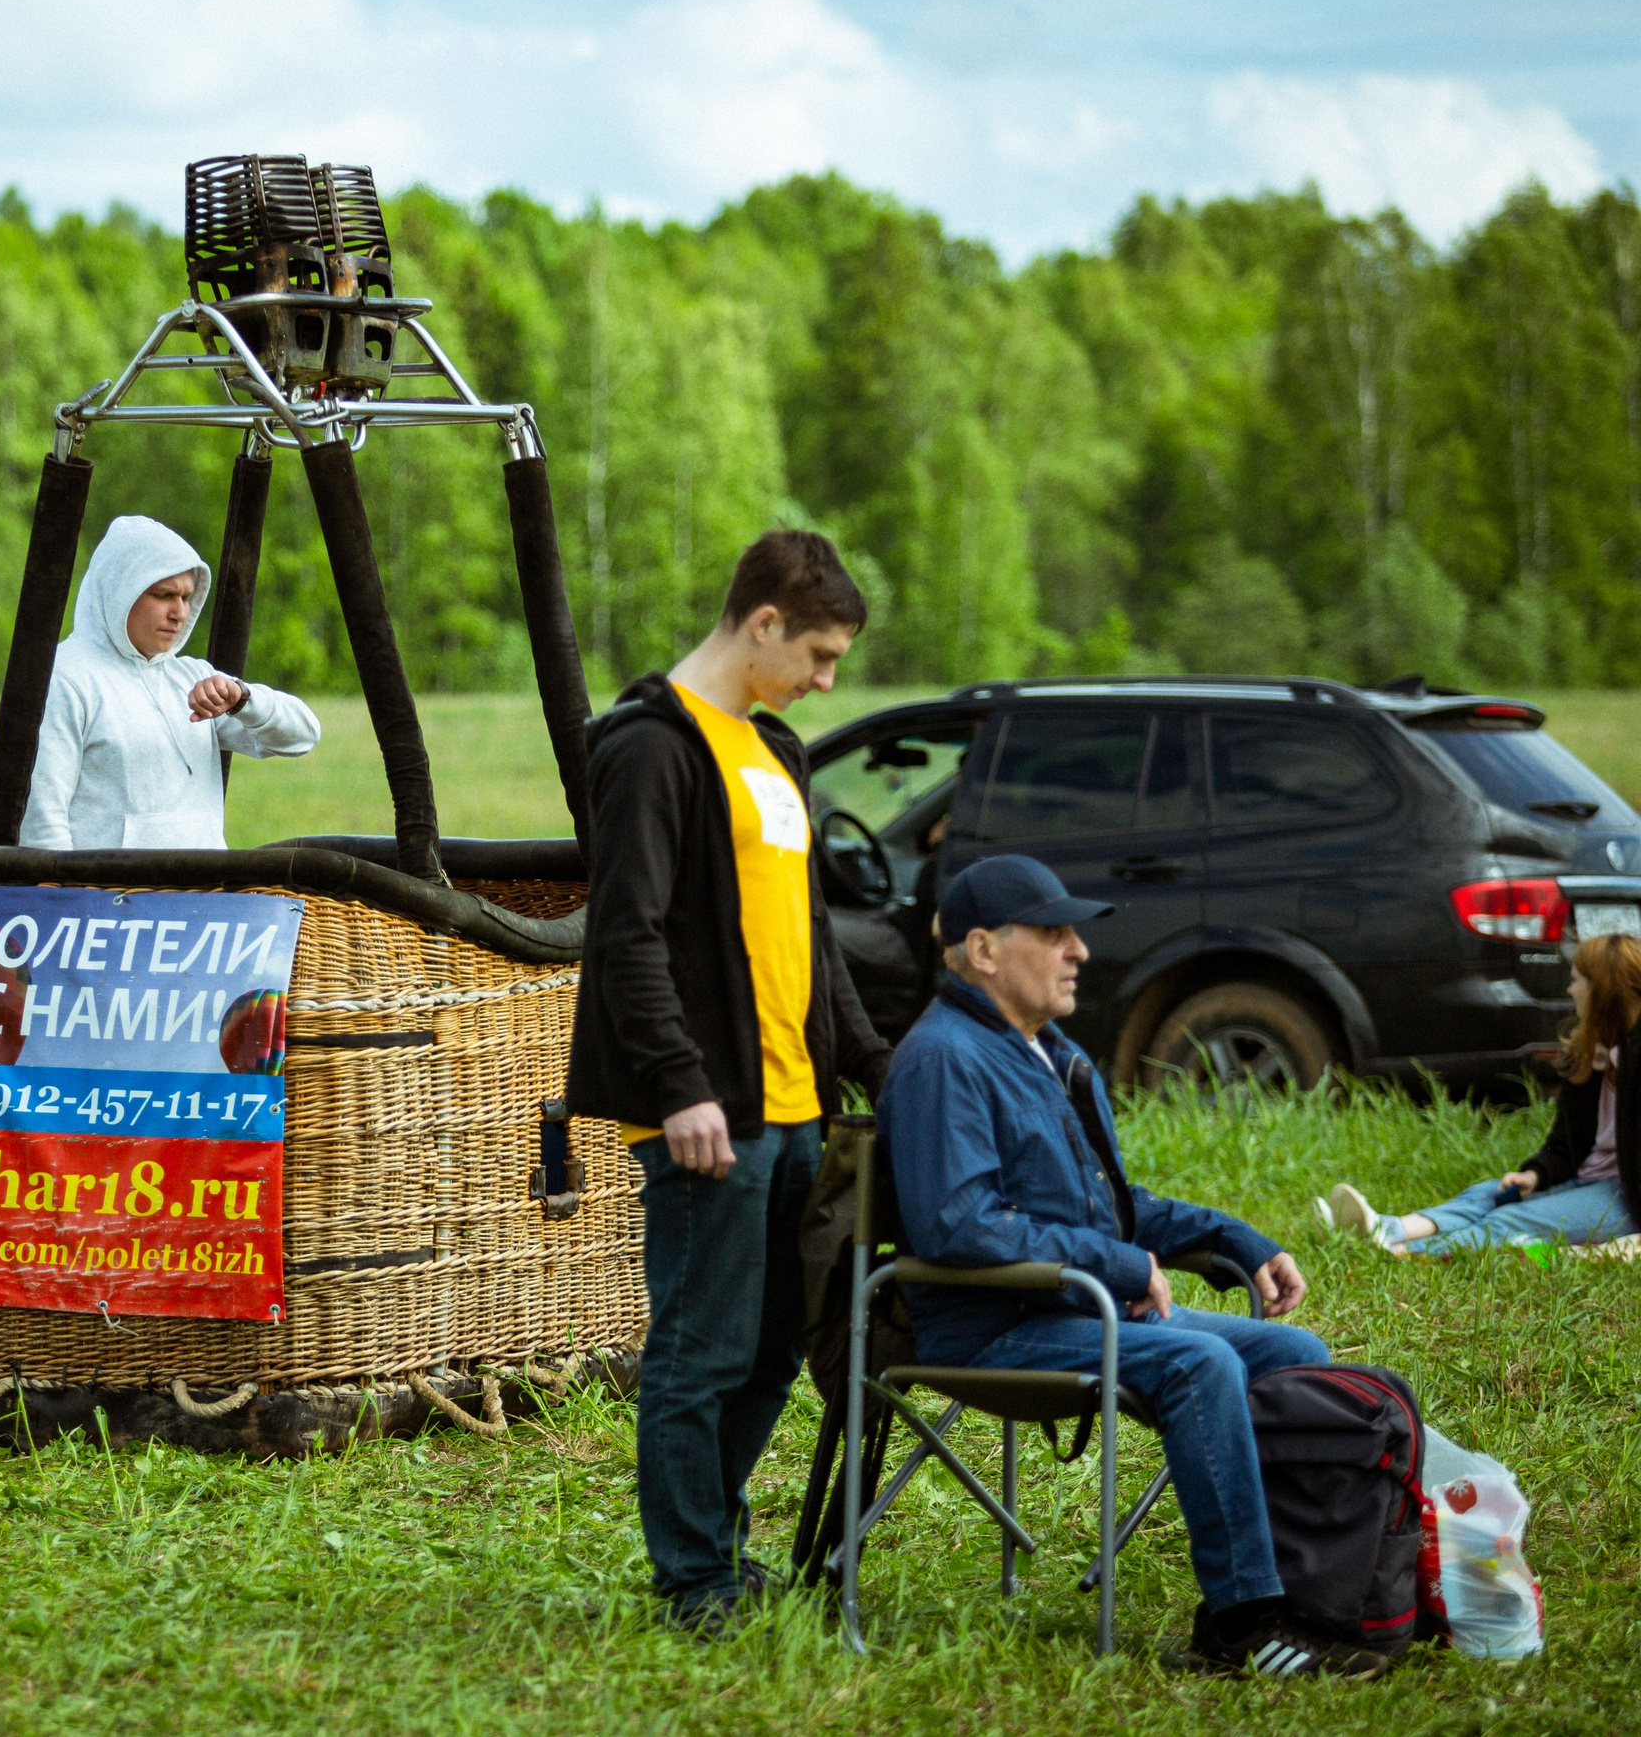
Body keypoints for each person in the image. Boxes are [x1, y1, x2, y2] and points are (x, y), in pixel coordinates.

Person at [880, 854, 1384, 1679]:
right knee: (1201, 1362)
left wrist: (1238, 1240)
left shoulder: (1046, 1051)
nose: (1078, 950)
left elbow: (1108, 1204)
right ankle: (1243, 1623)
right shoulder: (945, 1059)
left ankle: (1310, 1592)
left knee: (1295, 1356)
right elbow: (959, 1225)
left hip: (1071, 1308)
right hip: (994, 1327)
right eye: (1054, 932)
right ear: (983, 950)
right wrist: (1113, 1262)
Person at [564, 528, 892, 1633]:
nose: (826, 680)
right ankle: (694, 1580)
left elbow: (811, 933)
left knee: (771, 1351)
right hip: (709, 1113)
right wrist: (678, 1085)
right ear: (763, 623)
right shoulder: (649, 748)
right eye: (819, 655)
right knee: (698, 1352)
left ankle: (713, 1543)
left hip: (798, 1109)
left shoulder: (775, 751)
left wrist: (875, 1063)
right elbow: (627, 936)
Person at [1320, 931, 1641, 1257]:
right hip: (1584, 1180)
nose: (1570, 990)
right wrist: (1535, 1175)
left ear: (1601, 989)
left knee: (1510, 1220)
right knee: (1488, 1195)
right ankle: (1387, 1229)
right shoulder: (1589, 1055)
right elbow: (1564, 1147)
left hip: (1627, 1199)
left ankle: (1405, 1253)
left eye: (1576, 981)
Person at [21, 515, 318, 849]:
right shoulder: (64, 678)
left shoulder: (192, 679)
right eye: (164, 595)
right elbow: (41, 822)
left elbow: (303, 737)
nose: (180, 613)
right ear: (119, 590)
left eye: (187, 598)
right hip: (105, 885)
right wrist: (63, 885)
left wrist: (242, 700)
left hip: (206, 883)